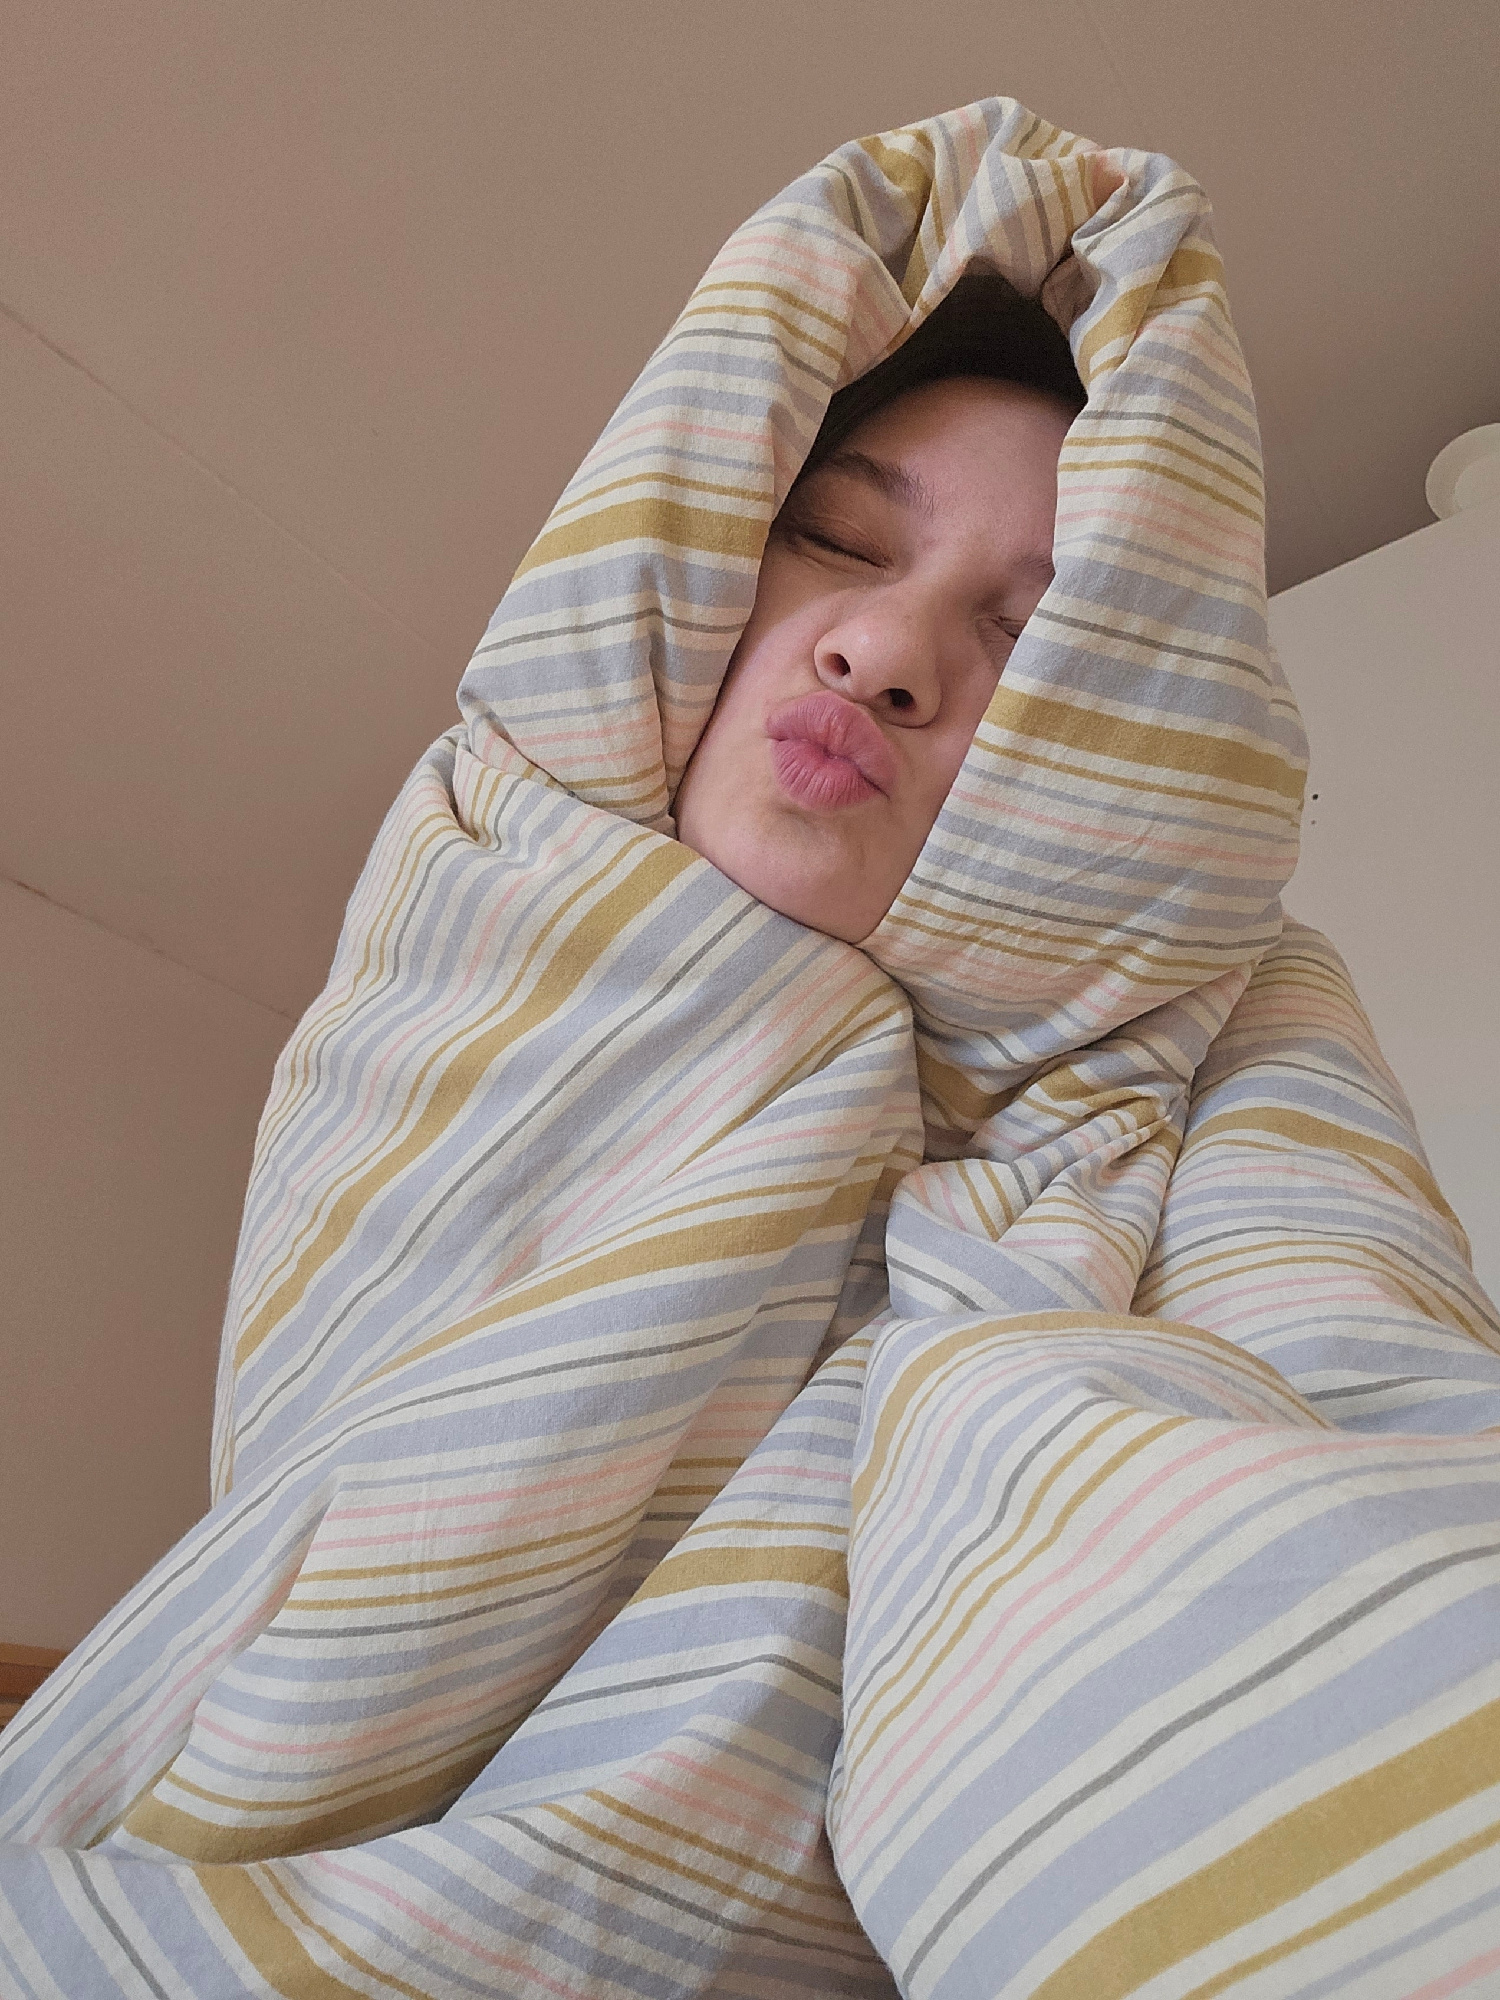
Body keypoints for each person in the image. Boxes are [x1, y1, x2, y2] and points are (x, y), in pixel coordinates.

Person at [3, 97, 1498, 2000]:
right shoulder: (466, 912)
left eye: (1028, 649)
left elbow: (1330, 1449)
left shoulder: (1199, 1069)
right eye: (838, 540)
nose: (885, 651)